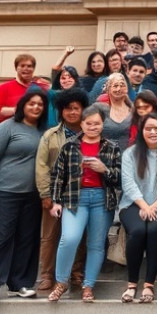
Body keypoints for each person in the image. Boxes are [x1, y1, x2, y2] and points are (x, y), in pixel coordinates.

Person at [0, 91, 47, 303]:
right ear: (22, 105)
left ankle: (20, 283)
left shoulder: (42, 131)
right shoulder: (6, 127)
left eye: (40, 104)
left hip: (32, 196)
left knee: (27, 240)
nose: (36, 107)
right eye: (31, 103)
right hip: (5, 193)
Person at [47, 105, 122, 302]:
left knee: (96, 245)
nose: (93, 127)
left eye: (97, 124)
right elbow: (57, 176)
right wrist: (55, 201)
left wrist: (104, 169)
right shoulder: (69, 146)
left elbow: (120, 179)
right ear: (81, 124)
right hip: (74, 198)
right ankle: (61, 282)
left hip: (102, 200)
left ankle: (88, 286)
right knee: (69, 238)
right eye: (89, 123)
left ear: (102, 124)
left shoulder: (112, 147)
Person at [118, 113, 157, 303]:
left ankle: (149, 284)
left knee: (154, 230)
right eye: (148, 129)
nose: (153, 132)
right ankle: (132, 284)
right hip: (132, 204)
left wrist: (154, 206)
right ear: (141, 131)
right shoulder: (131, 153)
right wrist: (144, 206)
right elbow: (128, 184)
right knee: (137, 231)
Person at [35, 88, 90, 292]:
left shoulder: (90, 134)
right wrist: (45, 194)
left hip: (80, 195)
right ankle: (47, 276)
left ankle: (76, 274)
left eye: (76, 108)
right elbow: (41, 166)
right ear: (61, 111)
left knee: (79, 236)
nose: (72, 112)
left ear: (83, 109)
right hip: (54, 193)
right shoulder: (50, 135)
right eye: (68, 109)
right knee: (50, 236)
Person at [0, 54, 50, 123]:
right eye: (22, 66)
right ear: (16, 68)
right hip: (10, 130)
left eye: (29, 66)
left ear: (33, 69)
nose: (26, 68)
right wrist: (19, 110)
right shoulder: (4, 87)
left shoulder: (41, 88)